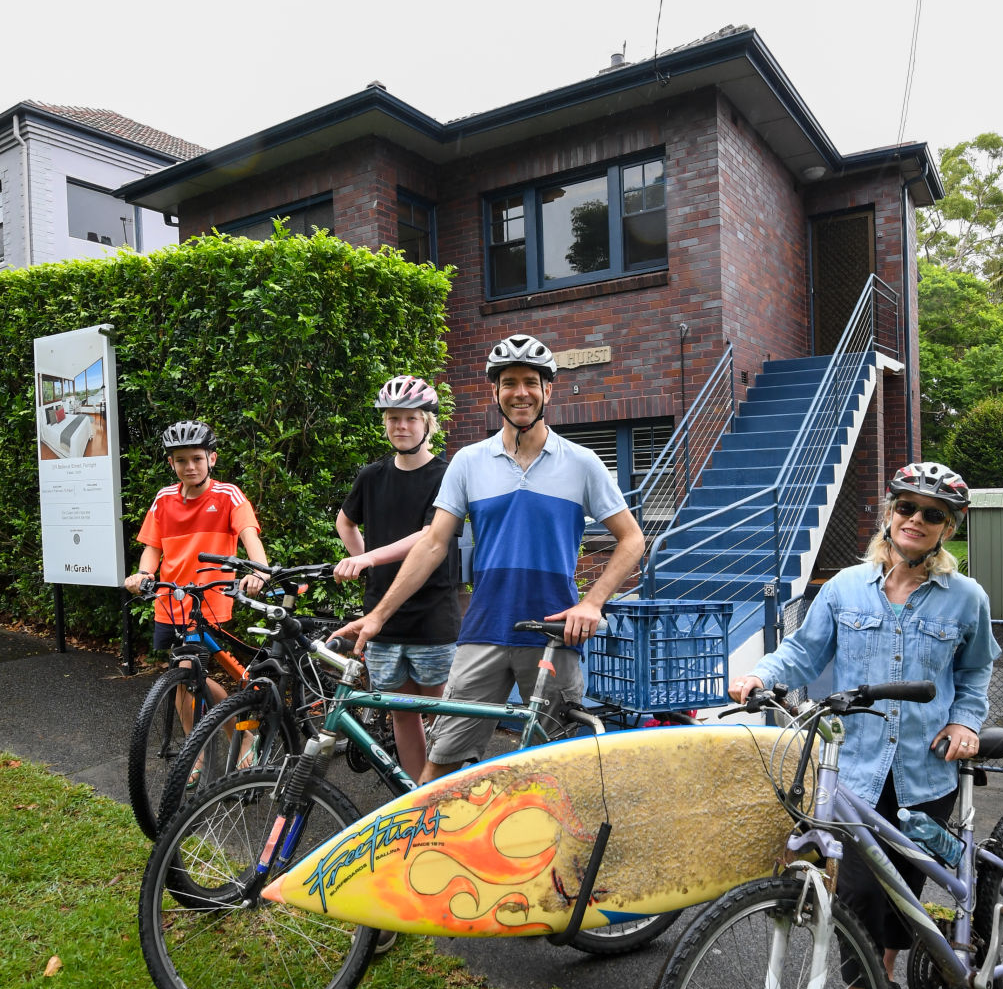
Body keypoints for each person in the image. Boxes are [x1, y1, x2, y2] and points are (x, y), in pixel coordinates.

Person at [729, 461, 998, 989]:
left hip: (927, 769)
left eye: (933, 514)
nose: (916, 520)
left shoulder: (967, 599)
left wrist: (964, 721)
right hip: (854, 765)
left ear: (948, 527)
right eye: (907, 508)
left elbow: (975, 671)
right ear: (889, 513)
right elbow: (801, 654)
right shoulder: (845, 588)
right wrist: (758, 676)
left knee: (902, 890)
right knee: (854, 890)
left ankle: (880, 987)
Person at [340, 332, 645, 783]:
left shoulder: (582, 462)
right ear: (495, 392)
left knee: (562, 770)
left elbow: (632, 539)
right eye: (509, 383)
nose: (519, 392)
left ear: (548, 390)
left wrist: (591, 602)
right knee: (440, 766)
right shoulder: (469, 462)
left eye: (529, 382)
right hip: (483, 630)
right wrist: (379, 615)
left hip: (552, 633)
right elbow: (432, 543)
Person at [332, 376, 460, 781]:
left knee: (443, 719)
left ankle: (446, 797)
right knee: (403, 716)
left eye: (409, 418)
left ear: (427, 424)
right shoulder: (371, 475)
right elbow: (345, 522)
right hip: (382, 619)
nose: (400, 426)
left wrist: (369, 557)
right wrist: (369, 564)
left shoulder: (446, 475)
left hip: (432, 616)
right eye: (392, 419)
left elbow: (429, 536)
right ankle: (416, 802)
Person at [124, 421, 268, 724]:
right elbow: (153, 546)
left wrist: (259, 571)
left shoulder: (228, 495)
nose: (190, 466)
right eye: (181, 460)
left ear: (211, 459)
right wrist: (143, 574)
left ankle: (235, 738)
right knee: (181, 679)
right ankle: (201, 751)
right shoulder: (164, 499)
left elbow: (249, 535)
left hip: (208, 600)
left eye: (197, 459)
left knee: (187, 672)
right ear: (171, 463)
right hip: (170, 600)